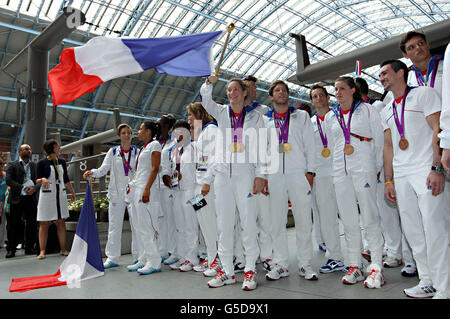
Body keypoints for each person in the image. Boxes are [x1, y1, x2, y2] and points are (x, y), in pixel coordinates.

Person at [379, 59, 450, 299]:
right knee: (413, 230)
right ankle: (427, 280)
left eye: (385, 73)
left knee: (434, 228)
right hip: (401, 174)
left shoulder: (424, 95)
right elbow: (388, 146)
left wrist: (436, 166)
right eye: (380, 75)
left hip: (425, 169)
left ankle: (445, 287)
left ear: (401, 73)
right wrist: (389, 180)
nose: (381, 78)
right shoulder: (386, 108)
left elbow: (437, 130)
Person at [200, 75, 266, 291]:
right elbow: (206, 102)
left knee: (248, 223)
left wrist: (260, 174)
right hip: (223, 176)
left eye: (236, 90)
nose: (232, 93)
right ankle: (227, 270)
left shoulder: (256, 117)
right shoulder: (221, 112)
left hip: (245, 174)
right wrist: (208, 84)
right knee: (224, 225)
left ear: (244, 92)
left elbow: (262, 147)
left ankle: (249, 270)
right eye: (229, 91)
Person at [323, 76, 385, 288]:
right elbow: (334, 145)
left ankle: (376, 265)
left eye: (342, 88)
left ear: (352, 90)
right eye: (335, 89)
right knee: (348, 220)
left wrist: (375, 168)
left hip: (363, 167)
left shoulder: (368, 110)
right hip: (341, 171)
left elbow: (379, 141)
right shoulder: (331, 117)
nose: (337, 93)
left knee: (369, 216)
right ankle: (355, 265)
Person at [355, 77, 416, 274]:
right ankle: (379, 247)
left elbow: (382, 138)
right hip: (366, 167)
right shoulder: (356, 112)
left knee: (387, 210)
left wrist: (381, 166)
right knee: (373, 210)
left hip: (381, 166)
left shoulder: (377, 106)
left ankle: (395, 251)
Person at [263, 80, 317, 281]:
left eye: (284, 90)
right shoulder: (265, 120)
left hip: (298, 172)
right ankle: (281, 264)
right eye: (277, 90)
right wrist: (264, 176)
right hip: (275, 174)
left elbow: (310, 144)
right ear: (271, 96)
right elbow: (263, 151)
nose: (281, 93)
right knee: (276, 221)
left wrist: (310, 171)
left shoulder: (301, 116)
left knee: (303, 219)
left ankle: (305, 264)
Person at [83, 124, 139, 269]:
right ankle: (112, 257)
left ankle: (138, 256)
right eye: (123, 133)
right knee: (114, 226)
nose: (126, 135)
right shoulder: (113, 152)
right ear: (119, 136)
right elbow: (103, 169)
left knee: (137, 226)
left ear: (132, 135)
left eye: (129, 133)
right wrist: (92, 172)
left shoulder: (137, 152)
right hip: (116, 194)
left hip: (132, 193)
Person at [309, 84, 345, 274]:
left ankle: (359, 255)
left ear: (327, 97)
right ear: (311, 101)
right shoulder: (310, 123)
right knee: (328, 217)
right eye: (315, 96)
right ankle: (335, 256)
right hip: (321, 175)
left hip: (342, 170)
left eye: (321, 95)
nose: (319, 99)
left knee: (349, 215)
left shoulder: (339, 117)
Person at [187, 102, 220, 277]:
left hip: (208, 186)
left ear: (199, 113)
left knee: (211, 223)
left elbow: (214, 158)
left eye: (191, 115)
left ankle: (218, 259)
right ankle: (211, 255)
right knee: (203, 222)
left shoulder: (212, 130)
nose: (189, 119)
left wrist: (207, 181)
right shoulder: (201, 133)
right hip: (199, 186)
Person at [243, 75, 273, 271]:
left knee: (265, 216)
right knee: (245, 218)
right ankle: (248, 257)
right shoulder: (234, 114)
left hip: (261, 170)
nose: (253, 90)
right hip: (242, 171)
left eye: (255, 87)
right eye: (249, 87)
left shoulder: (264, 112)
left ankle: (268, 256)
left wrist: (266, 174)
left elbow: (270, 142)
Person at [126, 121, 162, 275]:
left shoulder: (155, 145)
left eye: (140, 129)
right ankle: (143, 258)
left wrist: (146, 189)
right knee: (139, 227)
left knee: (146, 226)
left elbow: (155, 168)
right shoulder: (143, 148)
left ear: (148, 132)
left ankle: (154, 261)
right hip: (137, 188)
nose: (138, 132)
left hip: (146, 189)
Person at [35, 139, 76, 259]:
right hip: (47, 195)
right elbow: (36, 179)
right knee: (44, 223)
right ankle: (42, 251)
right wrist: (42, 180)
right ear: (52, 148)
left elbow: (66, 179)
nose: (59, 148)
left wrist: (72, 192)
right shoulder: (41, 163)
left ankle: (63, 249)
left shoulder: (62, 162)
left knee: (61, 221)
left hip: (60, 194)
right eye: (57, 146)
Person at [5, 144, 39, 258]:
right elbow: (9, 180)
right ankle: (11, 249)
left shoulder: (34, 165)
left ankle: (29, 247)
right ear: (20, 152)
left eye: (29, 149)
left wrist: (34, 188)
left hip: (31, 198)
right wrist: (22, 187)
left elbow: (38, 181)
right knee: (13, 225)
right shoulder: (12, 165)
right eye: (26, 149)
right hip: (17, 198)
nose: (28, 151)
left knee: (32, 224)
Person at [156, 114, 177, 264]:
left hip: (169, 187)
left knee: (172, 220)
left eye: (161, 125)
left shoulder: (174, 142)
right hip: (157, 188)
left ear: (168, 127)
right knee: (161, 220)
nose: (158, 127)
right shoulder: (155, 143)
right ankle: (163, 249)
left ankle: (174, 251)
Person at [400, 31, 444, 98]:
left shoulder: (446, 63)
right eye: (411, 47)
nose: (418, 47)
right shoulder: (406, 78)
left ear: (427, 45)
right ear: (405, 55)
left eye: (420, 43)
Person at [0, 161, 8, 249]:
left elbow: (7, 191)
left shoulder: (5, 176)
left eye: (1, 166)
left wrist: (2, 206)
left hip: (4, 201)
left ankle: (2, 242)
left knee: (3, 223)